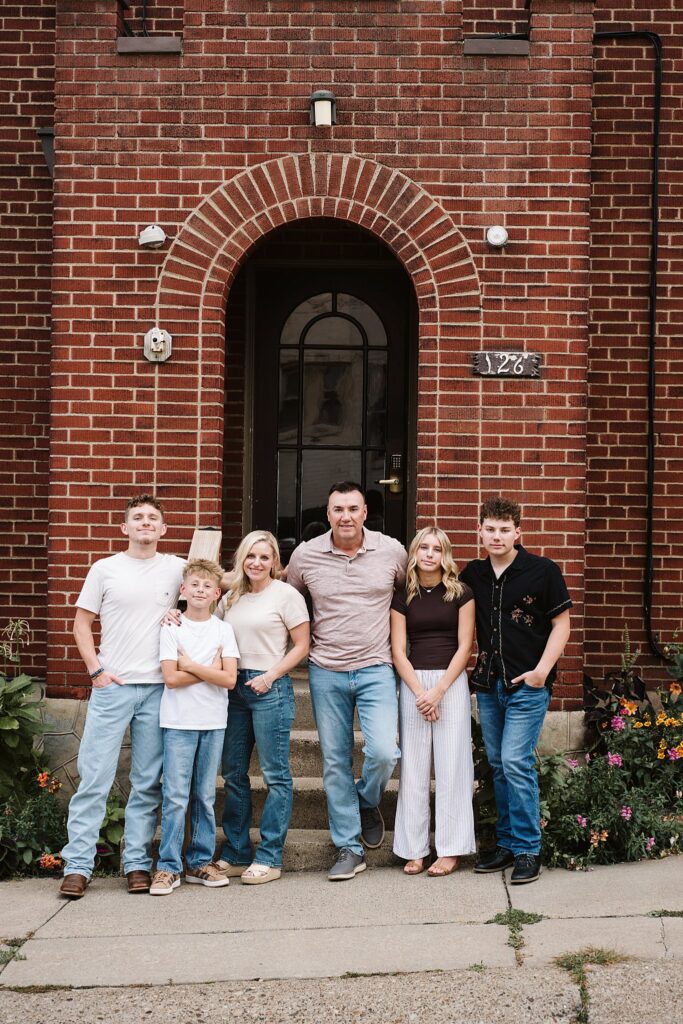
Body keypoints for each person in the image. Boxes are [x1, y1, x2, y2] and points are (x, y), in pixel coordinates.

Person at [59, 494, 185, 898]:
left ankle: (135, 863)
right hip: (113, 687)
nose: (145, 522)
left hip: (158, 690)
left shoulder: (177, 569)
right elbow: (81, 625)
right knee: (94, 778)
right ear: (125, 527)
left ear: (163, 529)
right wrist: (95, 671)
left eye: (153, 518)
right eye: (138, 517)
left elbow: (208, 605)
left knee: (146, 783)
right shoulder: (105, 569)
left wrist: (181, 613)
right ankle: (78, 866)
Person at [287, 481, 407, 881]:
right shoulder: (306, 556)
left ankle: (365, 798)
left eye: (353, 509)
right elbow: (284, 599)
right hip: (326, 670)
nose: (346, 517)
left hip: (376, 667)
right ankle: (348, 847)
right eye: (338, 509)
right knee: (335, 761)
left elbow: (411, 598)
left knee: (385, 752)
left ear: (365, 513)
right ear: (328, 514)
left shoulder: (391, 551)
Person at [460, 497, 572, 885]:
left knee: (515, 761)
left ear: (518, 532)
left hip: (527, 684)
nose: (497, 536)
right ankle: (506, 843)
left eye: (505, 529)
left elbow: (561, 625)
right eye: (489, 528)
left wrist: (542, 671)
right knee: (498, 765)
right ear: (479, 531)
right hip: (490, 684)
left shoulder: (542, 571)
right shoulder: (472, 573)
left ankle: (528, 850)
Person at [214, 531, 310, 884]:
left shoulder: (286, 595)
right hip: (233, 687)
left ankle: (270, 857)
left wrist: (270, 676)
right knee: (234, 772)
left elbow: (302, 645)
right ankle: (237, 852)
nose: (256, 563)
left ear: (275, 563)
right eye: (250, 556)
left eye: (264, 558)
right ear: (241, 559)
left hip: (271, 687)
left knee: (275, 775)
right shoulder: (231, 597)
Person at [150, 559, 240, 895]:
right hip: (178, 722)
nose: (200, 590)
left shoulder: (223, 630)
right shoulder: (171, 628)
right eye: (195, 585)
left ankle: (200, 861)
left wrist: (189, 664)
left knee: (204, 794)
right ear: (183, 590)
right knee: (175, 796)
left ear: (217, 593)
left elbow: (229, 679)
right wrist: (204, 668)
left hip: (213, 722)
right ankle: (168, 867)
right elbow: (171, 679)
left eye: (207, 586)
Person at [390, 526, 476, 876]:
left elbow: (465, 647)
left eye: (436, 549)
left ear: (445, 555)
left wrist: (438, 690)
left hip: (450, 682)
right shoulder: (402, 594)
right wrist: (419, 691)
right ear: (414, 553)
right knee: (413, 766)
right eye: (423, 547)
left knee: (452, 765)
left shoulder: (461, 593)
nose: (429, 554)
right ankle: (413, 848)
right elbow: (397, 650)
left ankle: (451, 848)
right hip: (413, 682)